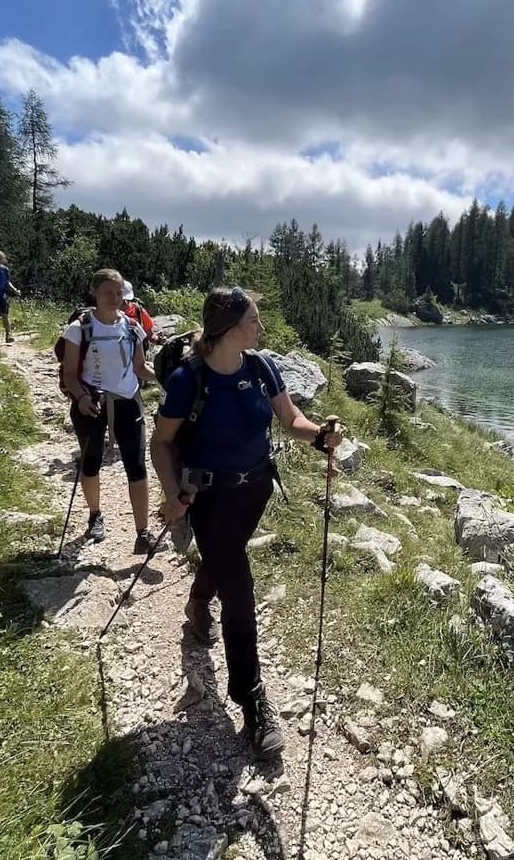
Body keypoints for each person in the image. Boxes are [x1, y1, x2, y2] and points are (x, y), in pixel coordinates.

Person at [151, 286, 342, 759]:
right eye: (254, 320)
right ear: (230, 327)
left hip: (255, 489)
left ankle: (197, 601)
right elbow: (161, 443)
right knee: (240, 587)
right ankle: (252, 700)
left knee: (225, 558)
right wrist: (172, 491)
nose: (260, 328)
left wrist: (318, 435)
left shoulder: (260, 366)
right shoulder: (187, 381)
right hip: (210, 496)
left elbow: (289, 417)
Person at [61, 269, 157, 550]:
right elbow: (69, 374)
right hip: (91, 402)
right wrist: (80, 397)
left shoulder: (132, 327)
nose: (114, 299)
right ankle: (94, 516)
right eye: (108, 293)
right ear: (95, 293)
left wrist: (166, 376)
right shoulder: (79, 329)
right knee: (91, 463)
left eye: (119, 293)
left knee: (137, 467)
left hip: (128, 401)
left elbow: (140, 368)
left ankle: (143, 533)